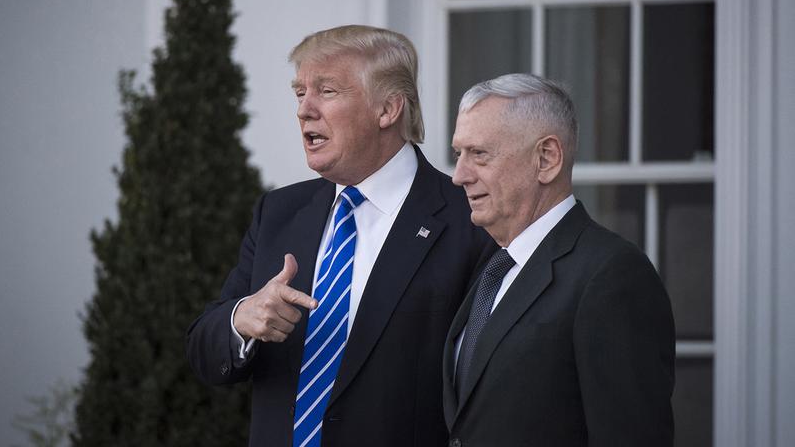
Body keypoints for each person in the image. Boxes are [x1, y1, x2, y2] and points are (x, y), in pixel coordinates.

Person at [186, 25, 488, 447]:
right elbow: (204, 349)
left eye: (326, 92)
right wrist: (243, 320)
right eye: (299, 92)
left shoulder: (469, 219)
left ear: (388, 109)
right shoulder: (278, 212)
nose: (304, 110)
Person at [443, 74, 675, 446]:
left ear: (546, 159)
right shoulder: (491, 267)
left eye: (479, 154)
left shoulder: (611, 274)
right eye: (459, 154)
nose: (459, 176)